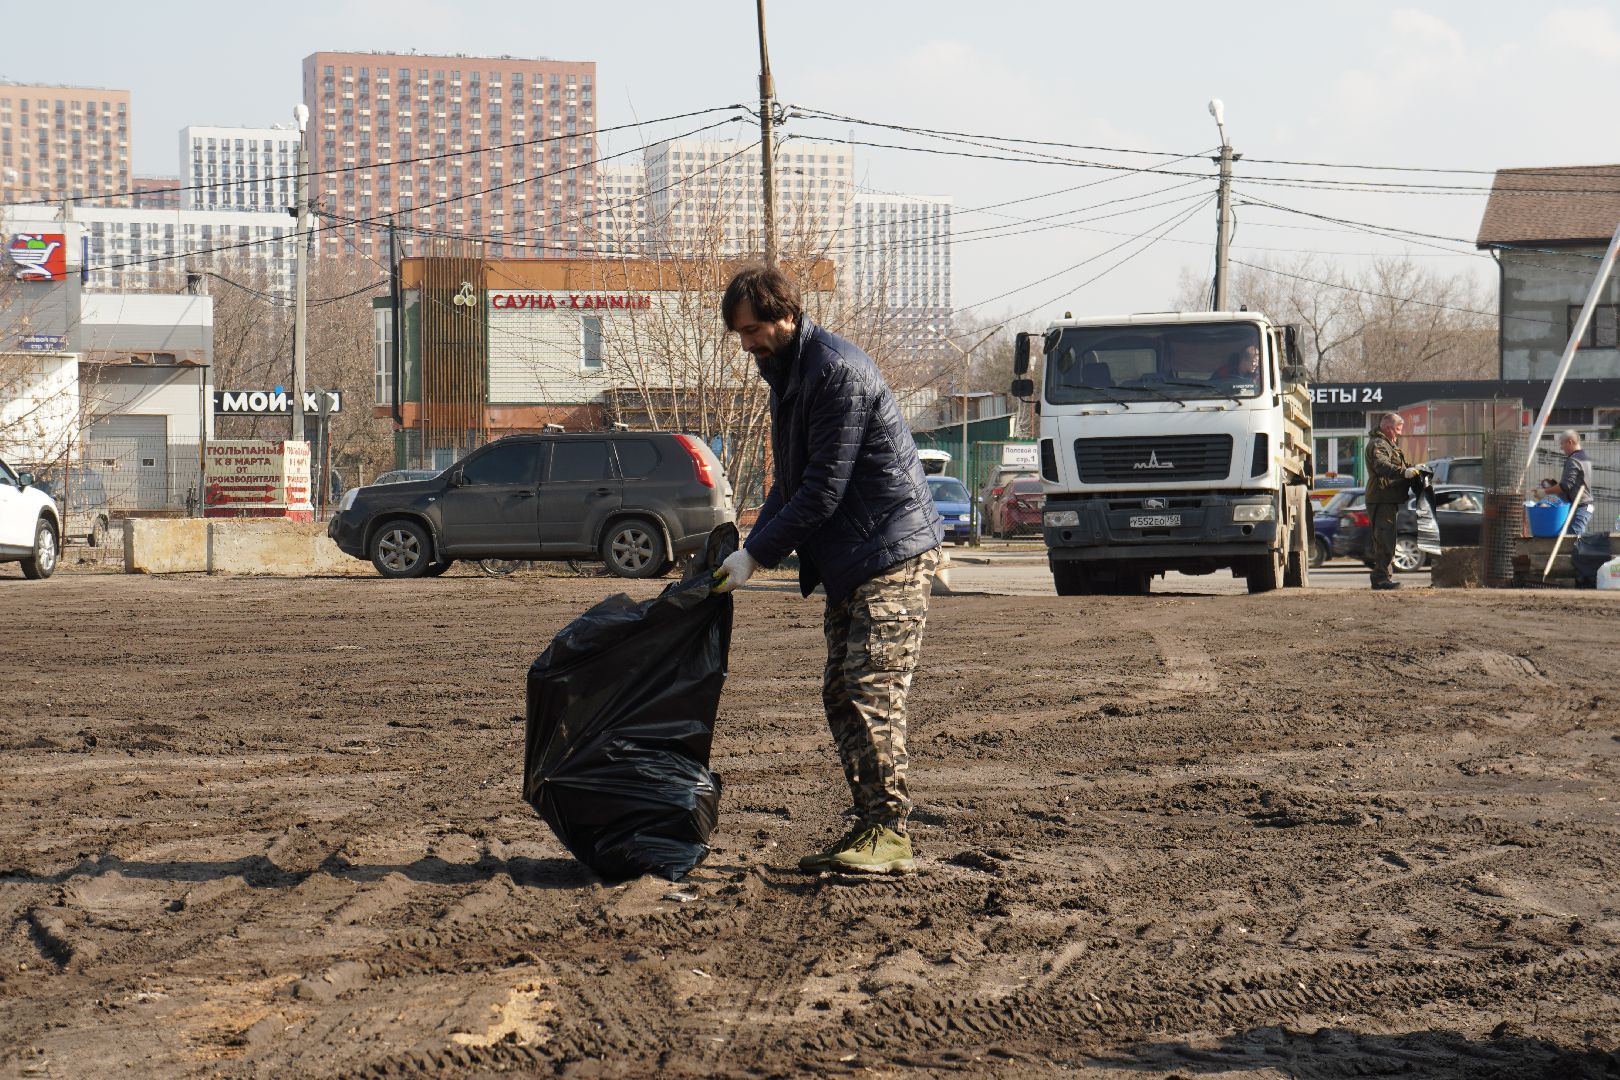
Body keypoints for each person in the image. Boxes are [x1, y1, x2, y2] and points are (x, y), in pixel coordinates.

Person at [713, 265, 945, 876]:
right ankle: (871, 822)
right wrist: (745, 546)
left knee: (872, 690)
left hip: (890, 551)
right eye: (739, 334)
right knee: (840, 692)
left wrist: (756, 558)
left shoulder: (834, 371)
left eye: (754, 329)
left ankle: (891, 832)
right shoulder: (789, 374)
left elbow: (821, 492)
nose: (747, 343)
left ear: (786, 314)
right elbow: (789, 487)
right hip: (856, 558)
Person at [1364, 412, 1428, 590]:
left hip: (1388, 498)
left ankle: (1383, 577)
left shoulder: (1390, 444)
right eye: (1397, 429)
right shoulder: (1379, 444)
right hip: (1381, 497)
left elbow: (1402, 466)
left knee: (1388, 539)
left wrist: (1414, 469)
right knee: (1384, 539)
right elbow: (1381, 465)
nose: (1399, 433)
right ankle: (1381, 579)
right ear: (1387, 427)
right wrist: (1404, 473)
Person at [1540, 430, 1595, 538]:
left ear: (1570, 442)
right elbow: (1575, 484)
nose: (1561, 448)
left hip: (1581, 506)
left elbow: (1565, 485)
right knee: (1573, 537)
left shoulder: (1574, 459)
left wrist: (1544, 492)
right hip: (1584, 505)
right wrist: (1555, 486)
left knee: (1573, 538)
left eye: (1562, 443)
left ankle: (1581, 554)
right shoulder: (1583, 458)